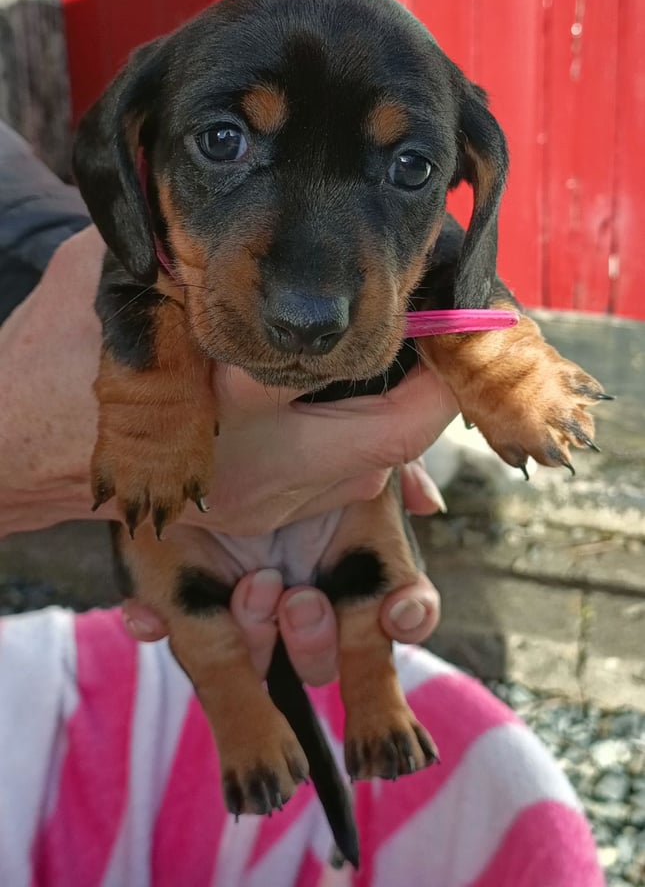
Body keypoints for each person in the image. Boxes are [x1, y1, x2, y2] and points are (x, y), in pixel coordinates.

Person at [0, 120, 603, 885]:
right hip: (195, 536)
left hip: (333, 505)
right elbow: (124, 291)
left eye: (411, 164)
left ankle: (371, 691)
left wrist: (504, 372)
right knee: (178, 584)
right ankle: (239, 716)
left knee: (371, 554)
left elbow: (457, 290)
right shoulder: (158, 231)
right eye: (223, 142)